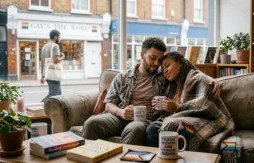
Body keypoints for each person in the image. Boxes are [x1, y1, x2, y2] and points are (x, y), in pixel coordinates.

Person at [82, 37, 220, 145]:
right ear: (142, 54)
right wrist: (121, 112)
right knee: (91, 123)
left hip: (145, 119)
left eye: (159, 60)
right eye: (152, 58)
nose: (156, 63)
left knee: (134, 129)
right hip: (120, 116)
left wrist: (210, 80)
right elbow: (108, 104)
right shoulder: (123, 77)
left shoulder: (163, 76)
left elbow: (186, 67)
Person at [145, 51, 234, 152]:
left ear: (180, 63)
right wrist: (164, 108)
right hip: (178, 121)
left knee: (175, 130)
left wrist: (176, 107)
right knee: (152, 128)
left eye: (167, 65)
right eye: (163, 69)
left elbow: (204, 105)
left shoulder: (195, 78)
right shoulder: (171, 87)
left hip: (198, 122)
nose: (165, 71)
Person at [40, 30, 65, 102]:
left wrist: (43, 76)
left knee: (59, 94)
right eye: (59, 37)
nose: (60, 39)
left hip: (48, 73)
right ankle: (39, 106)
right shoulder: (55, 46)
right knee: (53, 95)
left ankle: (59, 111)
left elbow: (43, 62)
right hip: (54, 74)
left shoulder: (44, 46)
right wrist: (63, 56)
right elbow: (55, 60)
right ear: (55, 37)